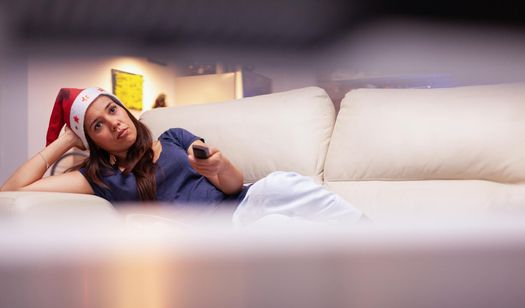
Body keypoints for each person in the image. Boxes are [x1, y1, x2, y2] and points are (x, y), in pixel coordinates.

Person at [0, 87, 365, 226]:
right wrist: (63, 142)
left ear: (124, 109)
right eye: (97, 125)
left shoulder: (173, 137)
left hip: (246, 201)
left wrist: (218, 165)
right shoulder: (99, 179)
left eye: (112, 110)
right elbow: (13, 189)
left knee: (284, 183)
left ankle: (367, 236)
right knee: (282, 231)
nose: (112, 123)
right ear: (91, 140)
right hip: (221, 235)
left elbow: (234, 184)